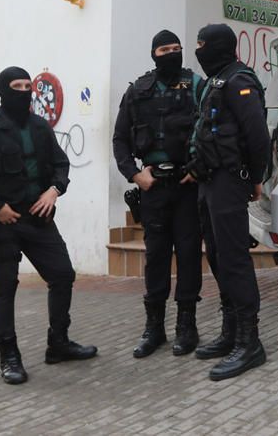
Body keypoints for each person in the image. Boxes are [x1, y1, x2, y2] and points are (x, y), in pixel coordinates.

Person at [0, 67, 97, 385]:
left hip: (38, 219)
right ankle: (9, 356)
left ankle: (58, 344)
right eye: (16, 86)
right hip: (2, 222)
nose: (24, 91)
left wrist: (54, 190)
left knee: (63, 275)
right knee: (4, 289)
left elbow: (61, 164)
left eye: (27, 85)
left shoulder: (40, 126)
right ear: (3, 91)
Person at [186, 23, 271, 381]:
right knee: (217, 256)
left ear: (221, 46)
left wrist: (255, 178)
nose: (199, 51)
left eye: (203, 45)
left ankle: (250, 343)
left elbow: (256, 135)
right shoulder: (215, 81)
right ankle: (230, 332)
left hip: (229, 181)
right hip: (209, 182)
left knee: (234, 259)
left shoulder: (239, 81)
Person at [113, 30, 204, 358]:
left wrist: (198, 169)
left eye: (176, 49)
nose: (172, 53)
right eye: (165, 49)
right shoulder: (138, 90)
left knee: (190, 255)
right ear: (153, 53)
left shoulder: (196, 85)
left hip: (187, 187)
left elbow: (210, 129)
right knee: (156, 258)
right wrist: (135, 175)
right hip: (153, 188)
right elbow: (120, 139)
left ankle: (187, 325)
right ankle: (154, 328)